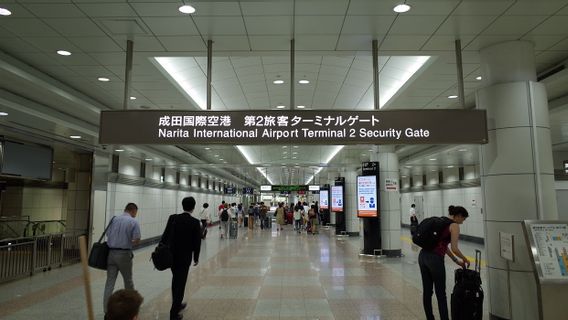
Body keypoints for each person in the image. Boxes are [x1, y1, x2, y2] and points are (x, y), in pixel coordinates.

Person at [419, 205, 470, 320]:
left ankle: (430, 318)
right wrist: (465, 259)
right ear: (458, 216)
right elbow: (454, 248)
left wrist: (456, 260)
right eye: (463, 219)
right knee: (441, 294)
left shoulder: (441, 221)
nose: (462, 222)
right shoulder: (454, 225)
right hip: (435, 260)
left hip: (422, 256)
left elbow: (443, 246)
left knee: (427, 292)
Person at [161, 196, 202, 320]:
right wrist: (196, 257)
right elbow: (197, 242)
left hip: (171, 256)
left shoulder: (173, 218)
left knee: (176, 280)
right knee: (180, 283)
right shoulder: (195, 222)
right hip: (184, 258)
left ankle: (177, 304)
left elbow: (165, 235)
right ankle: (174, 313)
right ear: (193, 207)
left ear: (182, 205)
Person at [103, 203, 141, 314]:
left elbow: (108, 235)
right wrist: (128, 242)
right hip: (124, 255)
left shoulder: (114, 219)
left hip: (111, 254)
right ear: (133, 211)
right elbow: (137, 239)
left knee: (109, 283)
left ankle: (107, 311)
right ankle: (132, 309)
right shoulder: (133, 222)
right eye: (135, 213)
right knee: (128, 281)